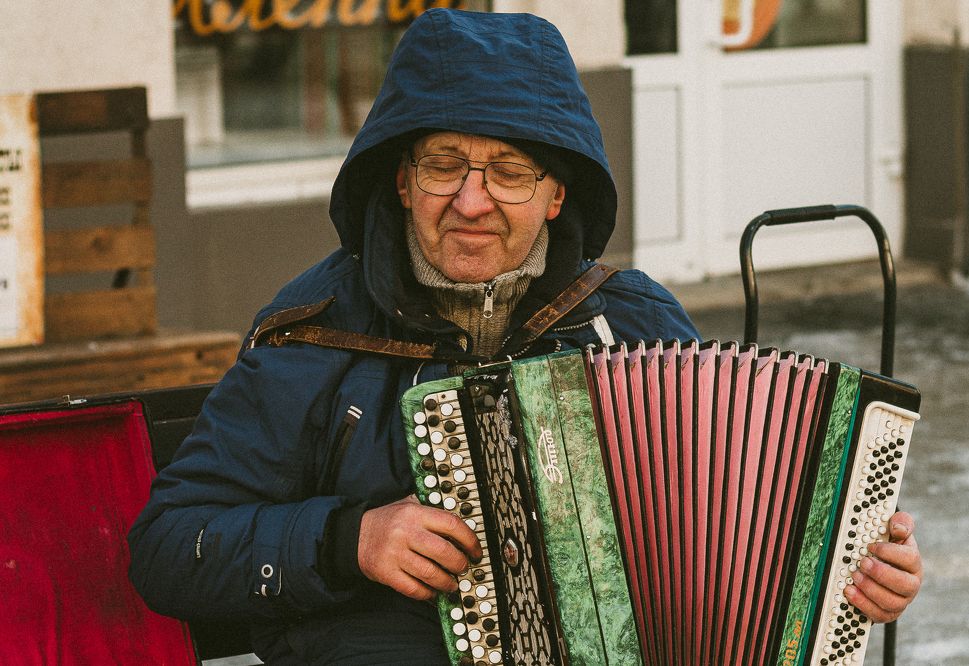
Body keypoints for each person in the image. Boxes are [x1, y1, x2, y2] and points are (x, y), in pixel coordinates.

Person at [128, 8, 922, 664]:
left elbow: (752, 532)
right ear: (401, 182)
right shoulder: (315, 334)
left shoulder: (630, 322)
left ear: (554, 194)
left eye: (509, 171)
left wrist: (854, 573)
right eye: (445, 164)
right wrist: (350, 540)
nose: (472, 201)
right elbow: (168, 548)